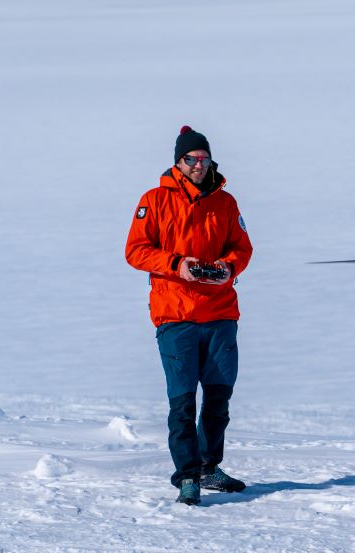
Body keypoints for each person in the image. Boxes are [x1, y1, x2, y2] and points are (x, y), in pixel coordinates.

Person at [125, 125, 253, 505]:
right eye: (191, 159)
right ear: (177, 163)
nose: (199, 165)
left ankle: (209, 466)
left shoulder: (226, 203)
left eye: (204, 159)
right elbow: (135, 250)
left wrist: (228, 268)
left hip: (219, 314)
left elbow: (242, 248)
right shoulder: (155, 200)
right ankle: (187, 476)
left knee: (218, 399)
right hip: (175, 315)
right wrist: (177, 264)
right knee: (183, 403)